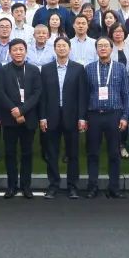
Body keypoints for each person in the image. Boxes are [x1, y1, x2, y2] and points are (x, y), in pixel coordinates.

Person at [39, 36, 88, 199]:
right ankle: (53, 185)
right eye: (58, 46)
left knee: (73, 154)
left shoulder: (78, 68)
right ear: (54, 49)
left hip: (71, 117)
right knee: (51, 153)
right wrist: (42, 117)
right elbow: (42, 96)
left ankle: (73, 186)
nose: (61, 48)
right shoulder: (46, 69)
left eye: (64, 46)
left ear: (69, 49)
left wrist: (82, 117)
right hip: (51, 116)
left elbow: (82, 95)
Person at [84, 37, 129, 199]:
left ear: (111, 49)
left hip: (114, 115)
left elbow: (126, 94)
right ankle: (92, 187)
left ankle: (114, 188)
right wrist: (83, 117)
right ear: (96, 49)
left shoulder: (120, 68)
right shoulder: (89, 68)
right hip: (94, 115)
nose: (103, 48)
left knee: (114, 153)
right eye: (100, 46)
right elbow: (84, 94)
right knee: (93, 153)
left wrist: (125, 116)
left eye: (106, 46)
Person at [0, 39, 42, 198]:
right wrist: (14, 110)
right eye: (15, 50)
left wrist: (22, 110)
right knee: (10, 153)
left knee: (27, 153)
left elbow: (37, 93)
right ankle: (12, 186)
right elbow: (0, 93)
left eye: (21, 49)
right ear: (10, 52)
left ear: (26, 51)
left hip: (29, 118)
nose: (18, 52)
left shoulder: (34, 70)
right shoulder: (3, 70)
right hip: (9, 119)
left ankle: (26, 186)